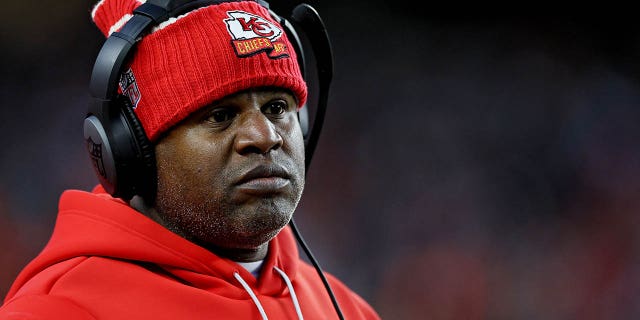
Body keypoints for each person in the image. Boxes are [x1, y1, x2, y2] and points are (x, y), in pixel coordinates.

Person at [0, 0, 380, 319]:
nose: (265, 137)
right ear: (133, 151)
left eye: (278, 107)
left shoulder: (346, 309)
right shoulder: (58, 309)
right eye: (220, 116)